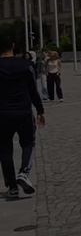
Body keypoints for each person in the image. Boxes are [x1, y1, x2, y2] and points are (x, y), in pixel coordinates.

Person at [0, 35, 45, 199]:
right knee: (28, 143)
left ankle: (12, 187)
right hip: (23, 112)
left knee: (4, 150)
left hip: (2, 113)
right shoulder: (26, 65)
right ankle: (24, 173)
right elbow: (33, 90)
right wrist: (40, 110)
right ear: (13, 45)